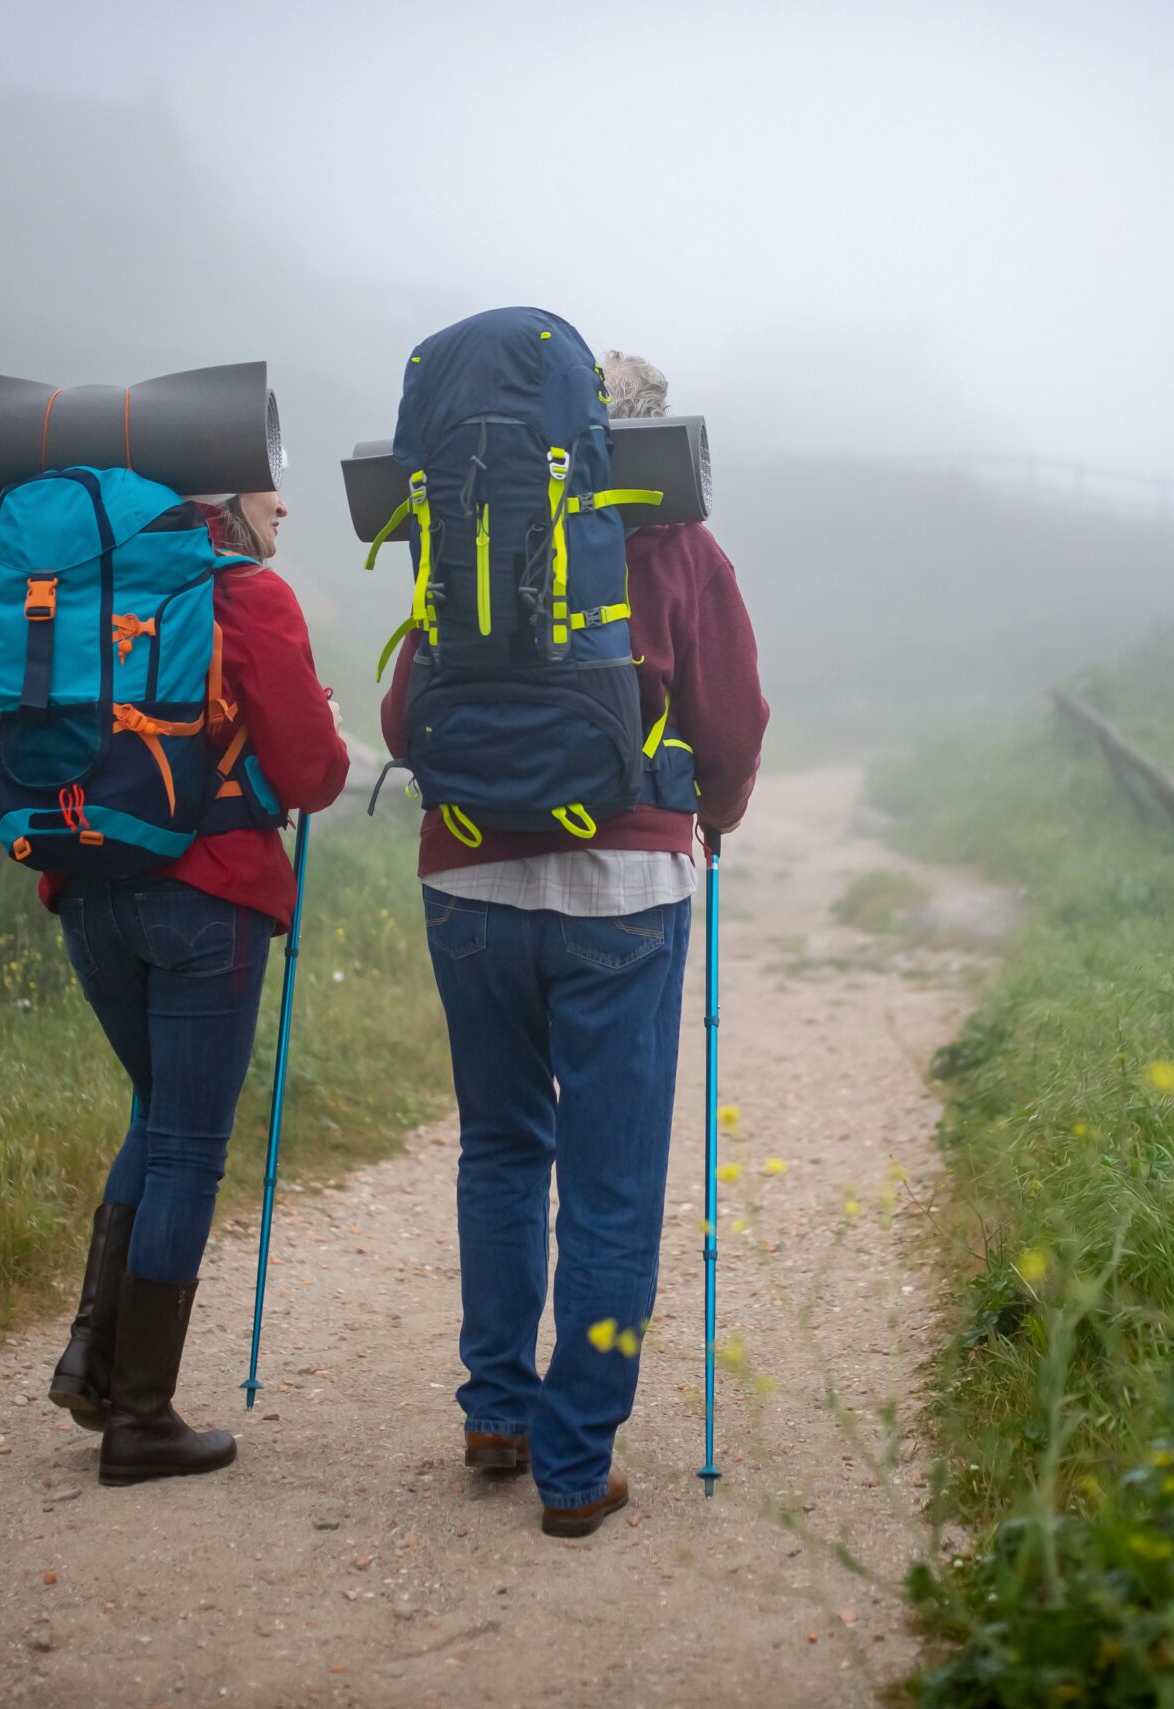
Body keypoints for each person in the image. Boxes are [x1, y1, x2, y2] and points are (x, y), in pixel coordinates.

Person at [379, 349, 768, 1536]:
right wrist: (713, 814)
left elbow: (401, 715)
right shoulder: (680, 545)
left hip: (469, 879)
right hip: (626, 889)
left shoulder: (469, 527)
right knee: (611, 1177)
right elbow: (731, 718)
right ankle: (574, 1459)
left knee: (500, 1147)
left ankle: (496, 1411)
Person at [45, 488, 349, 1485]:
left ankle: (92, 1361)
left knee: (156, 1112)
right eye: (267, 481)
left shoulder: (81, 584)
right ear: (223, 493)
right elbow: (310, 775)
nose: (283, 503)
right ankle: (140, 1418)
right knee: (184, 1143)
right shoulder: (247, 594)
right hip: (205, 896)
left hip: (85, 891)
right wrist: (326, 731)